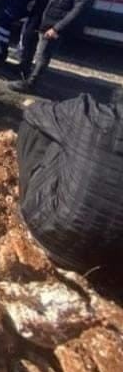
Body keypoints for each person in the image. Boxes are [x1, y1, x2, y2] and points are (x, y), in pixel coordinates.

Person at [17, 91, 123, 280]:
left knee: (39, 128)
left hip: (50, 233)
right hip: (113, 263)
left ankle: (28, 200)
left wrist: (31, 103)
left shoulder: (88, 114)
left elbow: (34, 112)